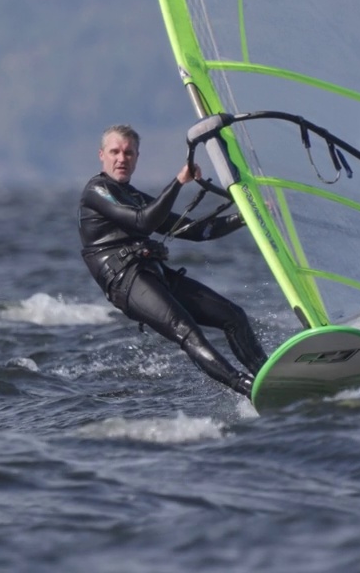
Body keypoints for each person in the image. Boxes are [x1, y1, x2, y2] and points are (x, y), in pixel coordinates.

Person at [78, 124, 267, 396]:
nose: (122, 158)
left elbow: (196, 231)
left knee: (233, 316)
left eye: (129, 153)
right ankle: (248, 388)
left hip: (155, 275)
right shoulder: (96, 191)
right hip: (127, 283)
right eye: (115, 152)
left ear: (137, 157)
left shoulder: (132, 196)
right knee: (187, 331)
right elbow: (142, 222)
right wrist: (179, 182)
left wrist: (247, 216)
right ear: (101, 155)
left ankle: (268, 374)